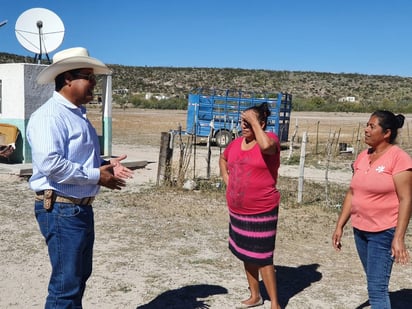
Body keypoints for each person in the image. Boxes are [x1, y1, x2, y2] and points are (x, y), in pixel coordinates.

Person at [27, 47, 134, 309]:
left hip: (77, 209)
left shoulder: (77, 116)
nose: (94, 83)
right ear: (67, 79)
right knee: (66, 287)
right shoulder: (49, 116)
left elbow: (74, 159)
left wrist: (104, 164)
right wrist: (98, 176)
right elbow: (51, 164)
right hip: (62, 209)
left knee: (76, 281)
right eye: (88, 76)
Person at [332, 110, 412, 308]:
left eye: (372, 126)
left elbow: (406, 199)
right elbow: (352, 193)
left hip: (383, 232)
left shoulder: (398, 159)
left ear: (386, 133)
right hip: (361, 231)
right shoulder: (362, 157)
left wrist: (398, 237)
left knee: (376, 291)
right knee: (375, 281)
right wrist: (340, 225)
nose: (366, 130)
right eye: (367, 125)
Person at [219, 102, 282, 309]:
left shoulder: (270, 140)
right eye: (243, 122)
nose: (244, 125)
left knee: (263, 256)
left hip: (262, 210)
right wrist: (226, 178)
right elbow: (223, 158)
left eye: (249, 122)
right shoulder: (236, 144)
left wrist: (255, 122)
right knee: (246, 254)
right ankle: (255, 295)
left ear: (262, 124)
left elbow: (266, 148)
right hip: (238, 210)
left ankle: (275, 303)